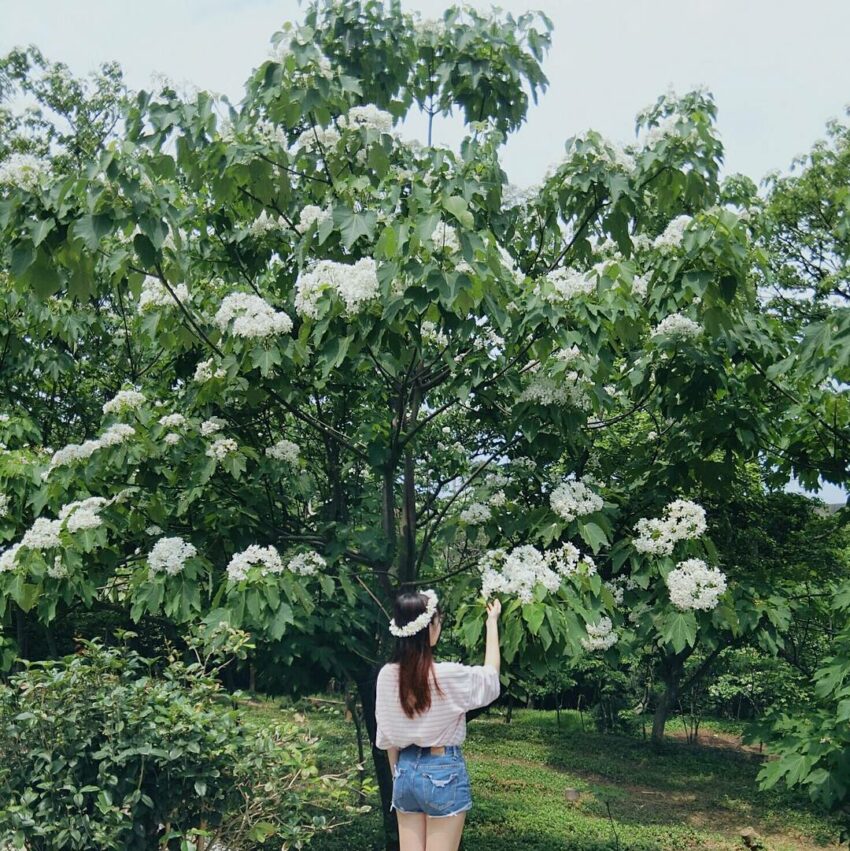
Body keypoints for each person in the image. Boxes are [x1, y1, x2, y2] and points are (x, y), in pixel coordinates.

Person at [375, 589, 502, 851]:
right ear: (429, 627)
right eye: (438, 621)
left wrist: (399, 775)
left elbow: (386, 738)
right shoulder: (448, 676)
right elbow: (491, 680)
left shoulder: (386, 676)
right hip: (442, 768)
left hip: (404, 770)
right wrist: (492, 624)